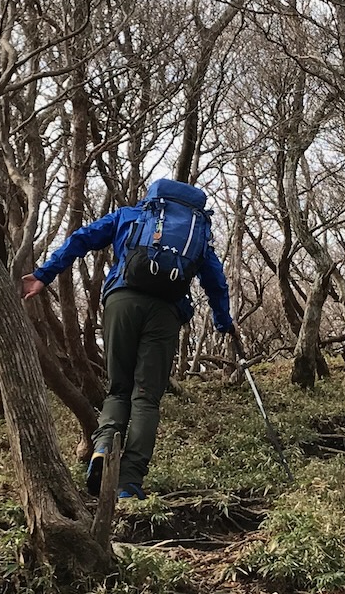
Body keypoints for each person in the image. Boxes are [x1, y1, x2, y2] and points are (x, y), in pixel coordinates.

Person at [21, 180, 234, 500]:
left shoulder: (130, 215)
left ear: (153, 198)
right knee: (146, 398)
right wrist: (223, 321)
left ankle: (104, 447)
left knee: (118, 388)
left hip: (122, 301)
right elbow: (216, 282)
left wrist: (44, 274)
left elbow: (82, 238)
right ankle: (130, 483)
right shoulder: (197, 234)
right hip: (165, 312)